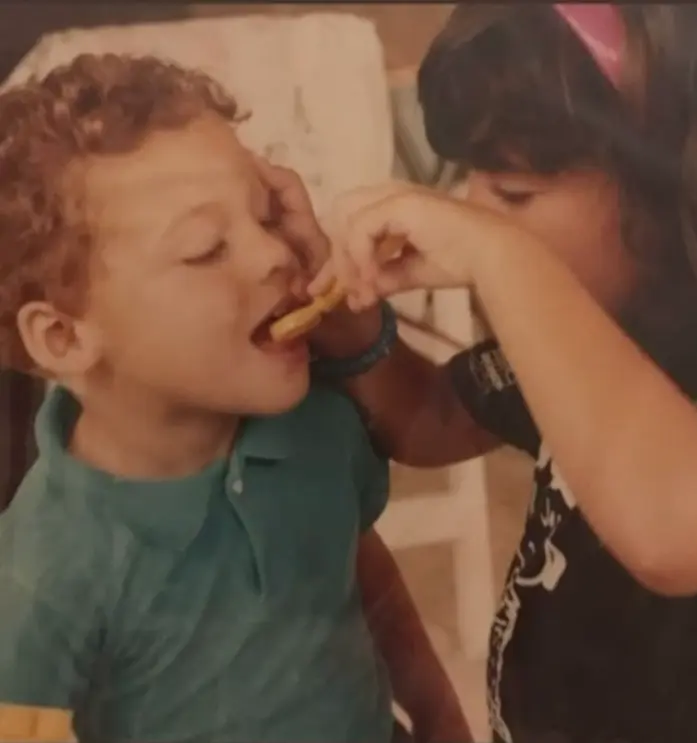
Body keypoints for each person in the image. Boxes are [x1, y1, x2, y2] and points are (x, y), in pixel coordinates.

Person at [273, 4, 697, 743]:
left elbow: (679, 532)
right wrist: (346, 318)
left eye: (514, 193)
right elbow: (430, 416)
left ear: (678, 181)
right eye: (471, 179)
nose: (473, 207)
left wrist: (501, 256)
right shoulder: (594, 320)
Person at [0, 54, 471, 743]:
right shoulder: (42, 574)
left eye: (264, 216)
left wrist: (438, 714)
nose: (274, 256)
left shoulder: (317, 426)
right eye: (205, 249)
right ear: (65, 336)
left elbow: (365, 577)